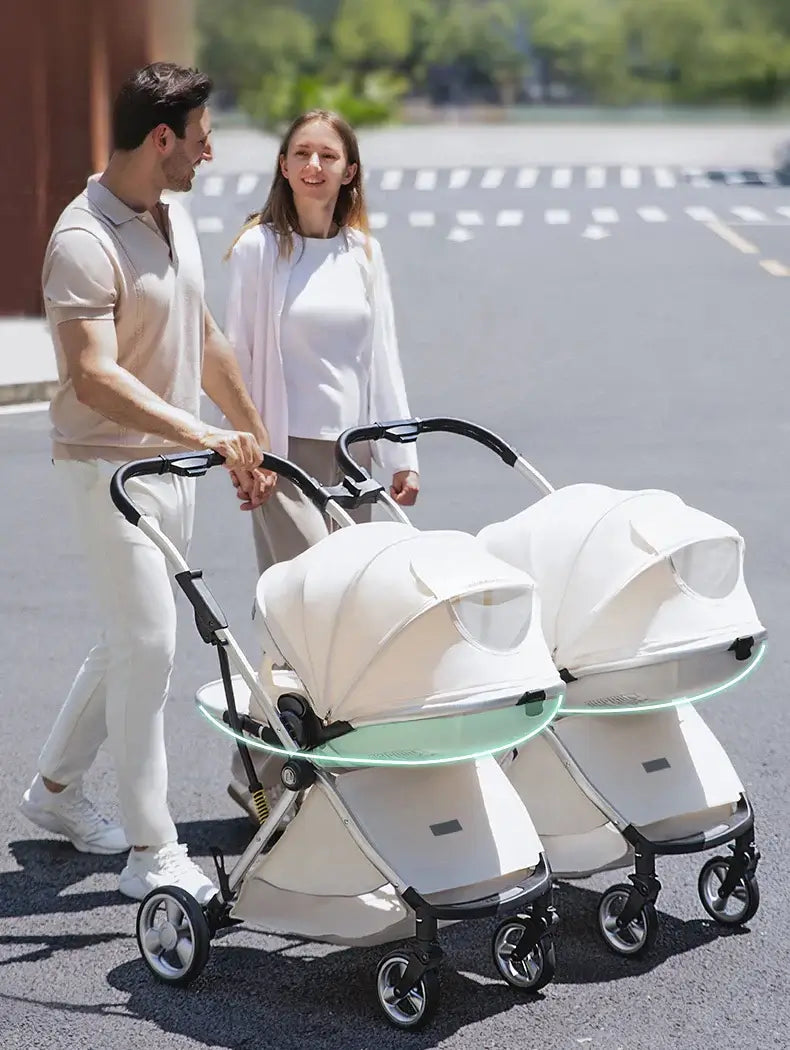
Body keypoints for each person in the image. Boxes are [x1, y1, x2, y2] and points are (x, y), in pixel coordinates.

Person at [19, 63, 276, 903]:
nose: (210, 148)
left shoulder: (176, 215)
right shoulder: (81, 241)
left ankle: (53, 793)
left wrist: (253, 440)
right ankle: (152, 851)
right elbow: (90, 376)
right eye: (200, 134)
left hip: (172, 465)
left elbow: (205, 335)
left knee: (130, 636)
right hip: (108, 471)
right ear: (161, 137)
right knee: (152, 643)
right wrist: (205, 432)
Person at [222, 109, 420, 819]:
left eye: (327, 155)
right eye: (300, 153)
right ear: (283, 166)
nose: (313, 165)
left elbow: (384, 355)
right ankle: (276, 781)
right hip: (283, 458)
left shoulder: (364, 252)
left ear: (350, 171)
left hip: (354, 455)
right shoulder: (257, 251)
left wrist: (401, 452)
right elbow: (235, 362)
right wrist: (245, 452)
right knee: (309, 613)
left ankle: (265, 769)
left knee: (354, 614)